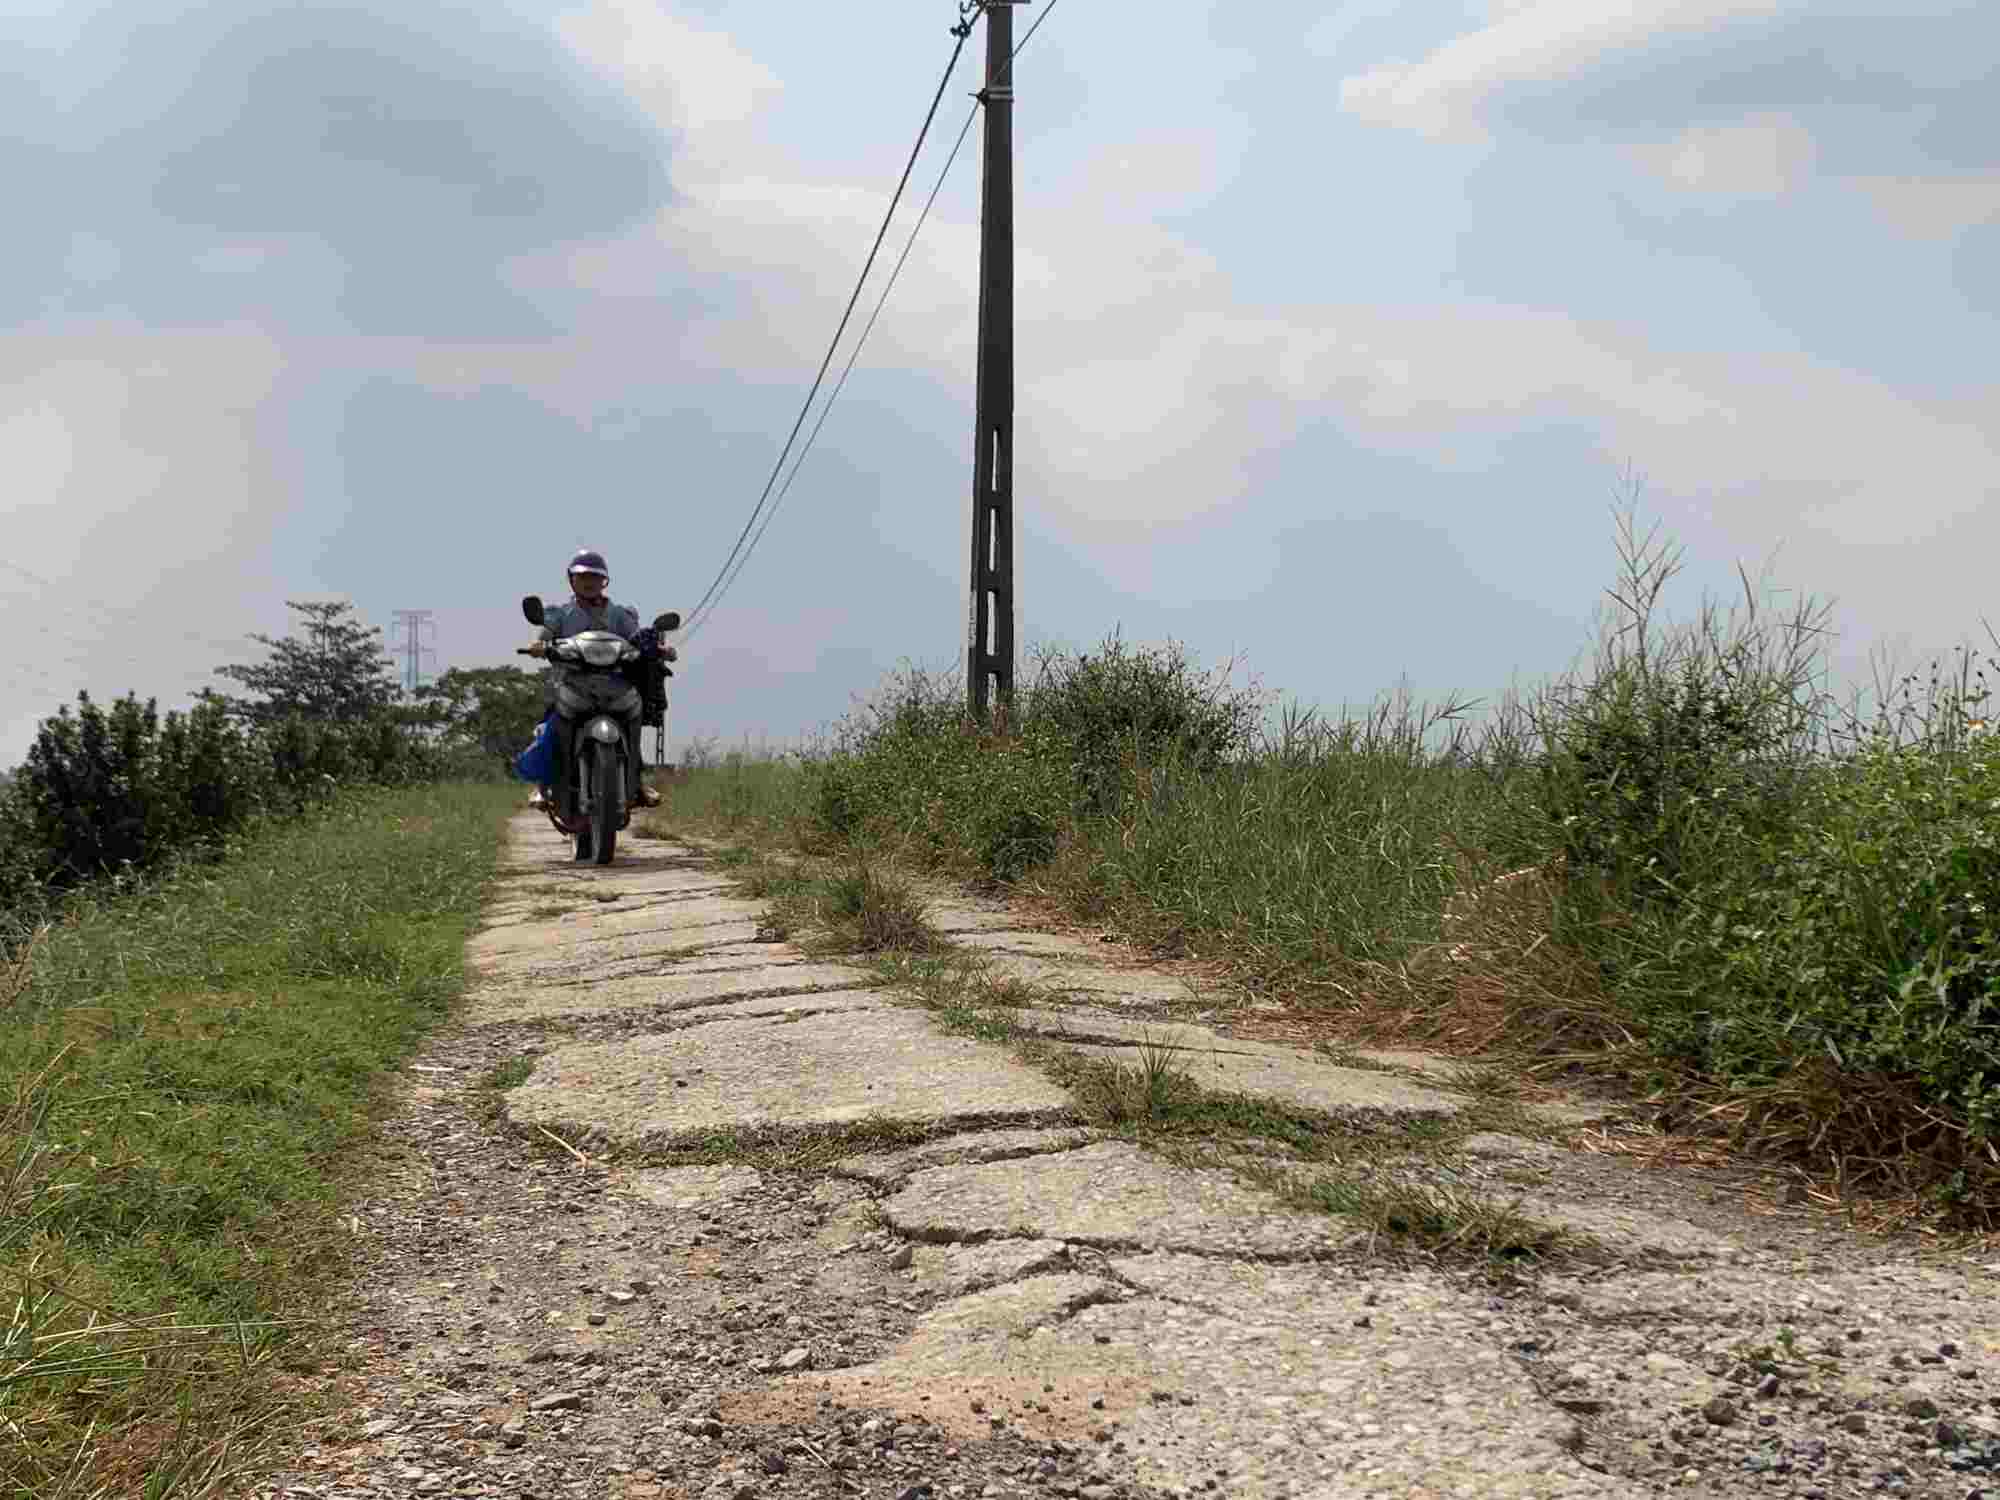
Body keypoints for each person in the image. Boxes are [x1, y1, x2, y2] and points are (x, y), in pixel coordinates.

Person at [525, 549, 665, 813]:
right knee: (550, 724)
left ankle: (638, 783)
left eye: (595, 576)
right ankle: (542, 786)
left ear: (605, 581)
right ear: (571, 580)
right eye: (582, 576)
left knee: (632, 722)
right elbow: (545, 633)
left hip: (615, 682)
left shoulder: (619, 613)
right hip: (570, 681)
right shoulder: (560, 613)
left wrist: (657, 648)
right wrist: (539, 644)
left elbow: (636, 637)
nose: (589, 581)